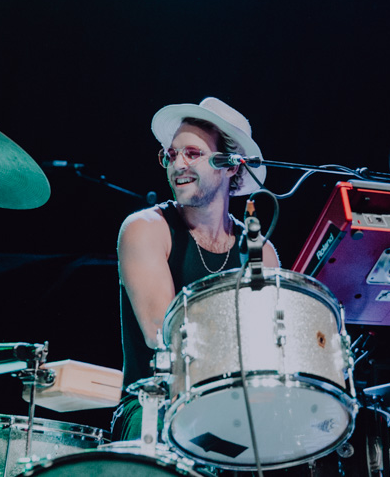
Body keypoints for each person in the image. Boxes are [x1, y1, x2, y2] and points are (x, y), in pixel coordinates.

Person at [112, 97, 280, 442]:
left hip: (237, 407)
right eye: (171, 155)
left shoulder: (259, 250)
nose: (177, 165)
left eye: (192, 153)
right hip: (152, 406)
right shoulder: (147, 228)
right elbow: (161, 333)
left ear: (230, 166)